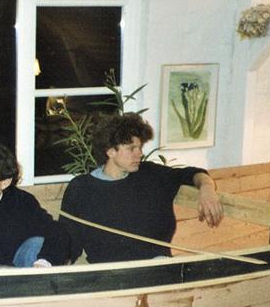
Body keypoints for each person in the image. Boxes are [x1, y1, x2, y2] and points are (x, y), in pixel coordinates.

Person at [60, 112, 223, 263]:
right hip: (109, 275)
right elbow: (67, 243)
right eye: (132, 148)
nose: (140, 153)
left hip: (159, 269)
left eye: (140, 147)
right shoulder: (82, 188)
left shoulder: (151, 174)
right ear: (110, 151)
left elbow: (192, 174)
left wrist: (207, 188)